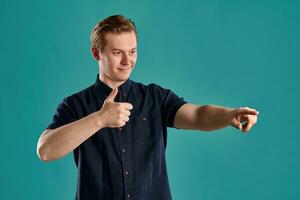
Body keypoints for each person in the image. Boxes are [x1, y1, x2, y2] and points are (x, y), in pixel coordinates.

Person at [37, 15, 259, 200]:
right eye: (117, 53)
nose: (127, 61)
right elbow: (46, 150)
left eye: (132, 51)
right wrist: (99, 119)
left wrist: (228, 115)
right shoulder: (75, 104)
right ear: (97, 53)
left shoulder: (154, 97)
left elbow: (198, 115)